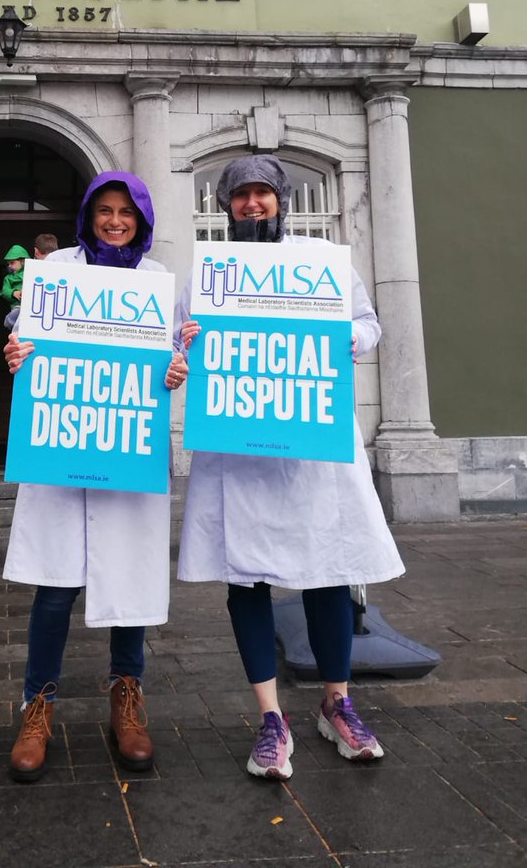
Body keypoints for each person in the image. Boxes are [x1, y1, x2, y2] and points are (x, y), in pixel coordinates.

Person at [176, 154, 404, 781]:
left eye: (263, 194)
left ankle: (337, 703)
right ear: (226, 208)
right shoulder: (207, 275)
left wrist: (346, 341)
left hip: (312, 449)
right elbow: (177, 342)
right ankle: (271, 718)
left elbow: (368, 325)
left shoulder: (321, 263)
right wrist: (186, 345)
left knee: (328, 570)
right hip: (238, 450)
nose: (253, 204)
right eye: (241, 196)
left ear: (281, 201)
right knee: (247, 577)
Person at [2, 172, 188, 782]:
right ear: (88, 215)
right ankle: (37, 708)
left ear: (142, 220)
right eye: (104, 210)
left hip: (128, 448)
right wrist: (17, 353)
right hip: (63, 451)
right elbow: (25, 338)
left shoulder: (157, 282)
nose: (114, 221)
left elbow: (174, 352)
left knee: (129, 579)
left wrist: (174, 370)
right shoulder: (56, 270)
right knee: (55, 587)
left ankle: (127, 702)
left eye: (126, 212)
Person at [0, 245, 29, 311]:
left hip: (31, 306)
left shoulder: (31, 273)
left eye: (12, 263)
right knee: (10, 319)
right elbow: (4, 291)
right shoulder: (8, 278)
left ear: (22, 261)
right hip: (17, 306)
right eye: (8, 264)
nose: (9, 266)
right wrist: (13, 293)